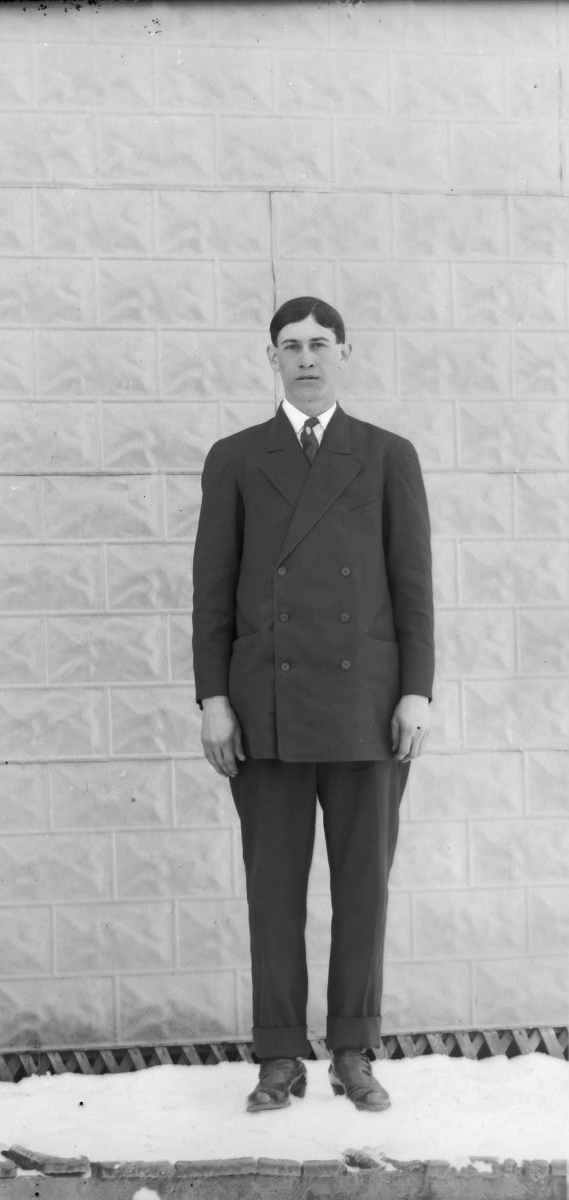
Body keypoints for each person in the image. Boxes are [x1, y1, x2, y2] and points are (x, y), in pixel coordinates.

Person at [192, 296, 434, 1114]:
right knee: (273, 893)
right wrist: (214, 698)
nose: (306, 358)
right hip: (266, 707)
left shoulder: (388, 455)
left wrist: (417, 691)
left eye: (320, 344)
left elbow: (413, 588)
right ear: (272, 358)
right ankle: (278, 1058)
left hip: (367, 706)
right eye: (290, 345)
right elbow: (212, 592)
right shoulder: (235, 458)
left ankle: (354, 1052)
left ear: (344, 354)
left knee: (364, 890)